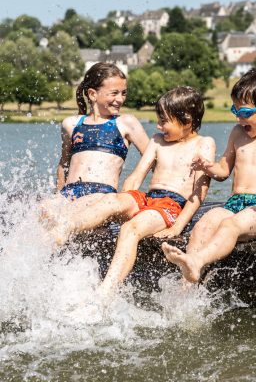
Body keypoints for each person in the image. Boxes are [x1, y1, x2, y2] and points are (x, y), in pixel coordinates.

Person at [48, 86, 215, 295]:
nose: (159, 125)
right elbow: (136, 176)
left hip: (170, 205)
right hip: (148, 199)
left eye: (164, 121)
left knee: (130, 230)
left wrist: (177, 227)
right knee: (110, 200)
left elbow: (199, 194)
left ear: (187, 121)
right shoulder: (157, 140)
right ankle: (65, 228)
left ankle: (105, 292)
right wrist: (122, 201)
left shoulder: (204, 144)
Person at [162, 67, 256, 283]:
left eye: (245, 113)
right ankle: (185, 288)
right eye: (235, 111)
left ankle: (196, 262)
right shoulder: (238, 133)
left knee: (230, 226)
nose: (239, 118)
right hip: (234, 203)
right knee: (204, 224)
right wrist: (208, 166)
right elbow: (223, 172)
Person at [41, 62, 149, 233]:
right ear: (92, 94)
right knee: (43, 209)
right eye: (114, 93)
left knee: (67, 216)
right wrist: (58, 195)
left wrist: (135, 181)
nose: (120, 99)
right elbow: (64, 164)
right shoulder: (71, 124)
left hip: (101, 196)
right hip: (69, 192)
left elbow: (153, 157)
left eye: (123, 93)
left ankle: (58, 234)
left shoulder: (126, 123)